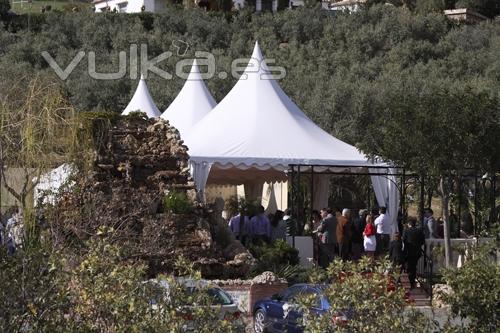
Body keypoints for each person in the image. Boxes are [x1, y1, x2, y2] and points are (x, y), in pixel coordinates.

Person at [403, 217, 425, 289]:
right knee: (413, 266)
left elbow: (404, 241)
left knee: (410, 267)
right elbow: (422, 241)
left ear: (409, 223)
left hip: (408, 252)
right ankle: (412, 282)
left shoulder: (406, 231)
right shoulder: (419, 231)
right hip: (417, 252)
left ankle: (411, 282)